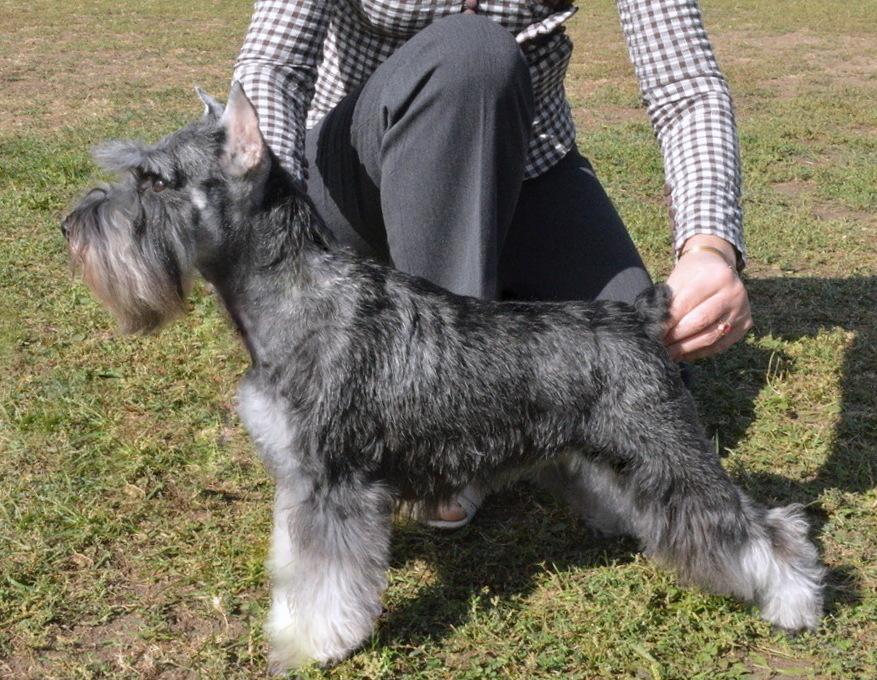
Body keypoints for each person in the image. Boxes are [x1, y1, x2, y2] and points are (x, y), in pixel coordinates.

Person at [233, 0, 752, 527]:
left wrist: (710, 247)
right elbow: (273, 64)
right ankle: (437, 436)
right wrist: (270, 221)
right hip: (357, 172)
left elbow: (685, 87)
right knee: (472, 51)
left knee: (634, 381)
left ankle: (489, 318)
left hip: (529, 165)